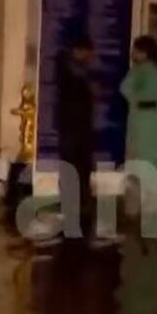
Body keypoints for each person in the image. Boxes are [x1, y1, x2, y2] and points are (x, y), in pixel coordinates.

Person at [120, 36, 157, 221]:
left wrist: (136, 100)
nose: (132, 53)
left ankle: (136, 212)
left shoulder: (140, 71)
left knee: (138, 170)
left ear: (142, 52)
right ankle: (156, 204)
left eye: (135, 49)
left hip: (142, 125)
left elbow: (125, 90)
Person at [56, 35, 97, 233]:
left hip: (75, 129)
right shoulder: (72, 71)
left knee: (77, 168)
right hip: (75, 130)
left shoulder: (72, 71)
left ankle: (75, 206)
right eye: (88, 52)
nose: (90, 57)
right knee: (76, 167)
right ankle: (76, 207)